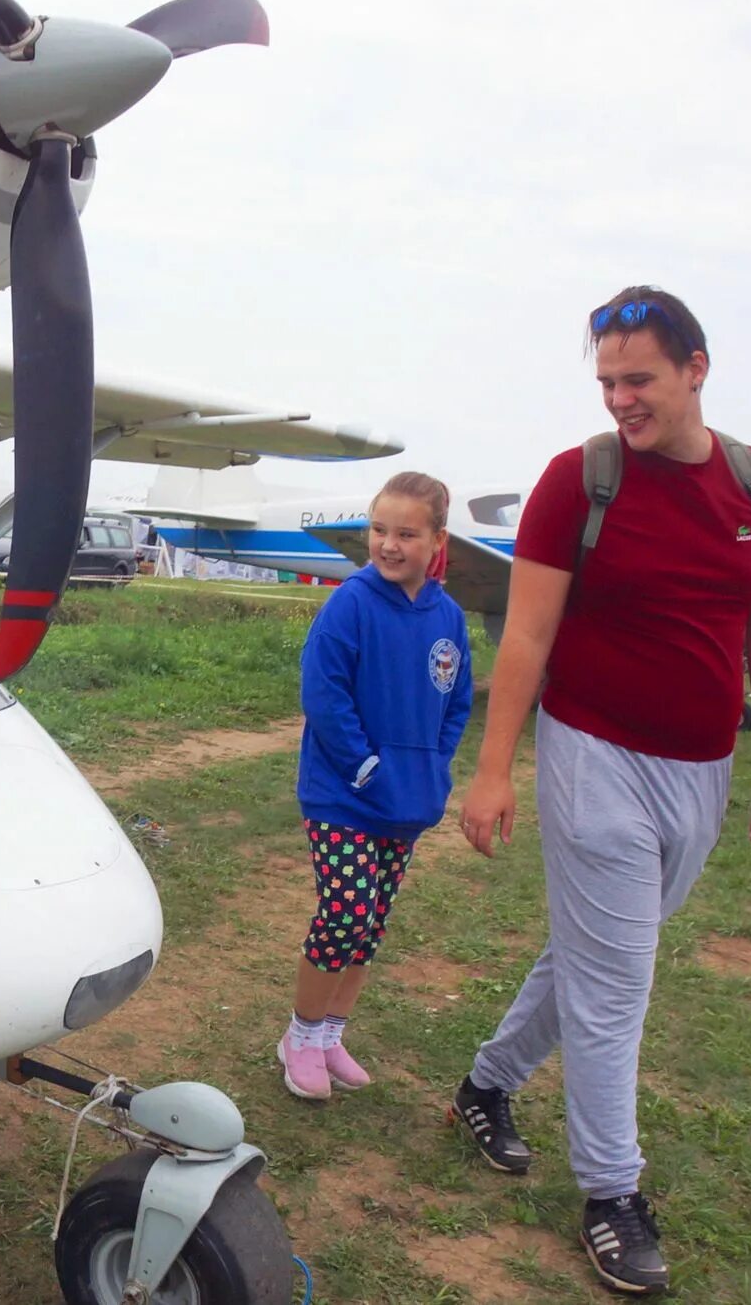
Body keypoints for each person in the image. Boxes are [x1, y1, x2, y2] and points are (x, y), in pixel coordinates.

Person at [444, 288, 751, 1297]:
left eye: (637, 378)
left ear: (696, 368)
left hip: (703, 771)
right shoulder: (578, 480)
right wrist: (495, 765)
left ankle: (485, 1085)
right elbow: (526, 633)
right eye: (606, 381)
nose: (619, 400)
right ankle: (610, 1192)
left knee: (598, 956)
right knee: (616, 987)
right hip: (592, 754)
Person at [280, 471, 471, 1103]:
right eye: (379, 530)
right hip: (344, 795)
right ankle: (299, 1037)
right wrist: (365, 767)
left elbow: (457, 701)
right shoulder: (351, 603)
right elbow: (324, 694)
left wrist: (432, 767)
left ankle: (332, 1035)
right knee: (345, 913)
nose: (389, 545)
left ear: (437, 540)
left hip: (407, 803)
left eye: (406, 534)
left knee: (371, 924)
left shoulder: (447, 617)